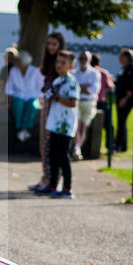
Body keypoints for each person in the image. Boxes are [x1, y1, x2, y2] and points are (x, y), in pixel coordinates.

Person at [35, 50, 79, 198]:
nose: (59, 65)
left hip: (65, 127)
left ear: (70, 66)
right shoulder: (57, 80)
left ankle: (67, 188)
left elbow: (73, 102)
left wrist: (58, 98)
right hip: (54, 124)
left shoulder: (71, 82)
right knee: (52, 156)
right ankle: (52, 184)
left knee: (62, 157)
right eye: (58, 62)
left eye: (63, 63)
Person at [30, 31, 66, 190]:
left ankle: (53, 180)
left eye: (54, 44)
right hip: (46, 105)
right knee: (44, 144)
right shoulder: (47, 63)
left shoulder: (61, 64)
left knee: (52, 145)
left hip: (57, 109)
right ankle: (46, 177)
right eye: (49, 44)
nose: (51, 47)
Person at [5, 49, 43, 143]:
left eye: (18, 60)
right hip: (18, 96)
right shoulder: (13, 71)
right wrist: (8, 101)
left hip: (32, 96)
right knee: (18, 105)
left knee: (32, 106)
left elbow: (41, 87)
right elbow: (9, 87)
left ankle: (26, 129)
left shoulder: (35, 71)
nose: (16, 62)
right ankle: (19, 128)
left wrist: (41, 100)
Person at [71, 50, 101, 160]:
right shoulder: (74, 73)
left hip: (89, 103)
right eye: (81, 58)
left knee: (83, 127)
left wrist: (81, 87)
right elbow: (74, 89)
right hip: (77, 102)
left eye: (85, 58)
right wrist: (84, 87)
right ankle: (76, 148)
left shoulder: (95, 73)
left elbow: (93, 90)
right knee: (77, 126)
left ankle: (77, 147)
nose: (83, 61)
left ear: (89, 60)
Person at [114, 47, 133, 153]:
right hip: (121, 98)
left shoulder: (132, 69)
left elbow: (132, 87)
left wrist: (124, 99)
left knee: (122, 121)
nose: (119, 58)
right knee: (121, 122)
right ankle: (121, 145)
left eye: (121, 56)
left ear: (126, 57)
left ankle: (119, 145)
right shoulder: (124, 68)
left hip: (126, 100)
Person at [90, 53, 115, 152]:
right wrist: (111, 81)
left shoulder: (87, 72)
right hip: (100, 102)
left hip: (90, 101)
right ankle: (110, 147)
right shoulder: (103, 73)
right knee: (109, 126)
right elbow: (110, 86)